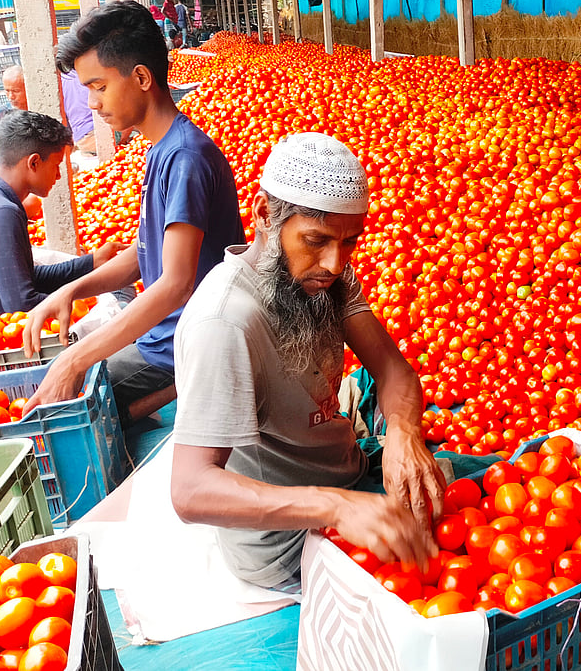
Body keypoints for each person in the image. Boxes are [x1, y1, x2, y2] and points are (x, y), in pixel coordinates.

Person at [169, 133, 444, 589]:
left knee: (489, 486)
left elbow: (392, 370)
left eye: (349, 243)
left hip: (351, 479)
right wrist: (335, 506)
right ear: (262, 215)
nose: (335, 263)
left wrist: (401, 430)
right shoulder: (226, 323)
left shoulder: (324, 277)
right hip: (287, 542)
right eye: (315, 241)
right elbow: (190, 490)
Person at [23, 0, 243, 425]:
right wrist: (70, 290)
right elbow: (144, 255)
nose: (91, 103)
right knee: (68, 381)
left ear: (141, 77)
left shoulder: (185, 158)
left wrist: (75, 361)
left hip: (181, 346)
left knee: (58, 408)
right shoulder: (163, 149)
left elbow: (176, 285)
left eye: (99, 86)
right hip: (163, 335)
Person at [0, 111, 120, 317]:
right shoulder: (1, 213)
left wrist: (92, 262)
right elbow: (22, 304)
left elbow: (25, 278)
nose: (58, 175)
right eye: (56, 166)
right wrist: (88, 303)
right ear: (34, 162)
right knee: (119, 299)